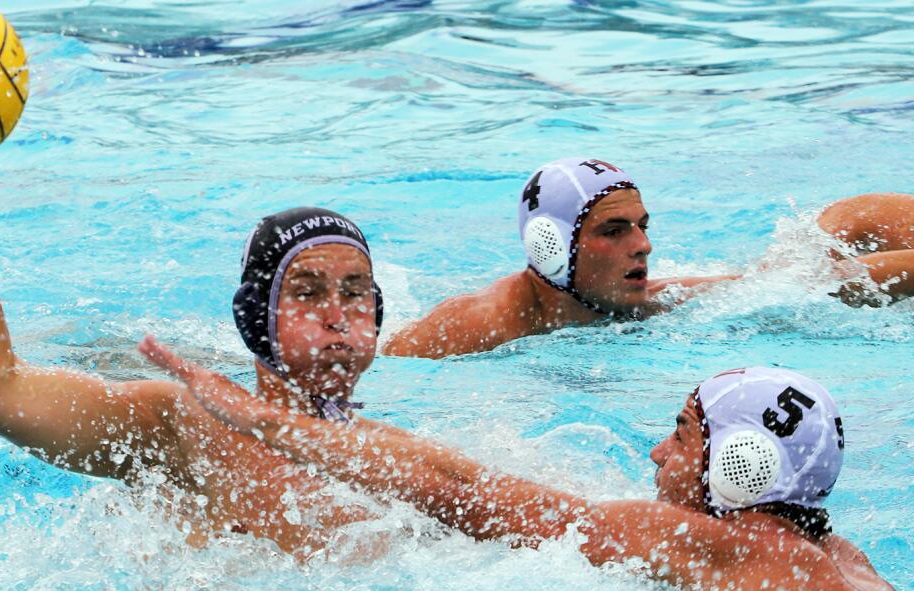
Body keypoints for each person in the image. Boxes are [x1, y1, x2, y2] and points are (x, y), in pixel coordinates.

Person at [141, 339, 914, 591]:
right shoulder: (841, 557)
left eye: (681, 435)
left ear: (741, 467)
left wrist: (260, 420)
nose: (656, 451)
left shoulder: (707, 542)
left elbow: (457, 487)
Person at [0, 157, 386, 556]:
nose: (337, 316)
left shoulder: (400, 463)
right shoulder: (188, 425)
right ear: (254, 316)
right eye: (306, 293)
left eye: (355, 293)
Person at [383, 158, 914, 358]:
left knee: (816, 250)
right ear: (551, 248)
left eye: (642, 226)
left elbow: (807, 285)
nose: (643, 246)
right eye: (614, 231)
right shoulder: (475, 325)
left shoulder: (637, 301)